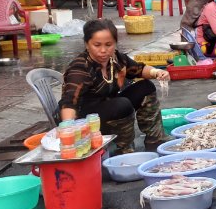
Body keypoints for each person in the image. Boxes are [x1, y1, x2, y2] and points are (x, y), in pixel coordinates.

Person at [58, 18, 171, 154]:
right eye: (97, 45)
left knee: (146, 87)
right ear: (87, 44)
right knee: (122, 104)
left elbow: (138, 69)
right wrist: (69, 133)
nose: (103, 50)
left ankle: (155, 140)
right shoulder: (81, 68)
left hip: (108, 107)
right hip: (85, 119)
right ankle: (123, 150)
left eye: (108, 44)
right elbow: (69, 102)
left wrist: (157, 72)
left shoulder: (116, 59)